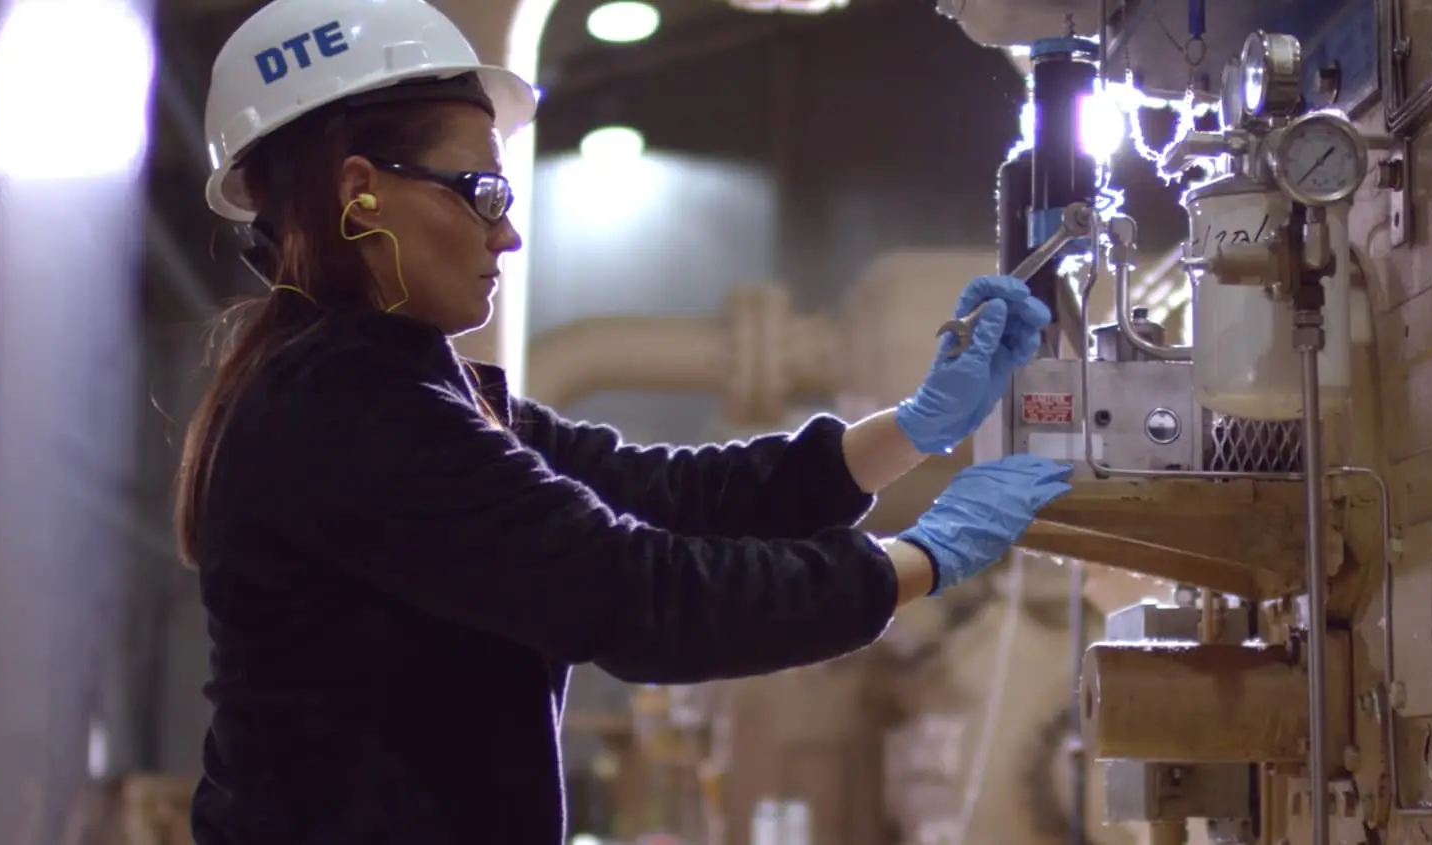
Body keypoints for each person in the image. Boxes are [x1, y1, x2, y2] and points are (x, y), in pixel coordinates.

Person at [178, 0, 1073, 842]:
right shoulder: (345, 415)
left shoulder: (410, 392)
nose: (507, 235)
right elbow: (642, 596)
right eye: (483, 191)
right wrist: (925, 556)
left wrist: (915, 428)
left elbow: (665, 494)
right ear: (360, 192)